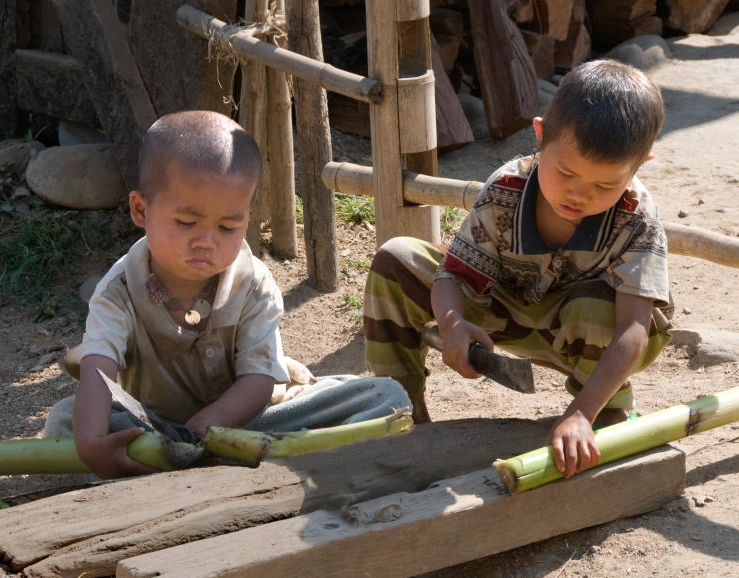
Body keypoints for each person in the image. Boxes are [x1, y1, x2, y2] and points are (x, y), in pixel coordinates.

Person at [44, 111, 409, 480]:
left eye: (228, 226)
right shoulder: (120, 289)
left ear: (246, 221)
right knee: (64, 421)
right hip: (157, 428)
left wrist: (210, 425)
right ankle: (240, 469)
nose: (207, 241)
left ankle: (203, 469)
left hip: (255, 422)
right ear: (140, 209)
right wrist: (91, 444)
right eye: (186, 223)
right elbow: (98, 367)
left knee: (387, 399)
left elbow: (259, 380)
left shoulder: (252, 283)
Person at [363, 59, 672, 478]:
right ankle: (405, 416)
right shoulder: (507, 189)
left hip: (594, 333)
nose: (579, 195)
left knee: (596, 307)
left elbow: (632, 329)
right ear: (540, 136)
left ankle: (602, 416)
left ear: (639, 166)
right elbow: (453, 276)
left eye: (604, 185)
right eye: (565, 172)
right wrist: (453, 325)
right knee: (396, 260)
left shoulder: (637, 217)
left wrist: (579, 413)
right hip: (510, 313)